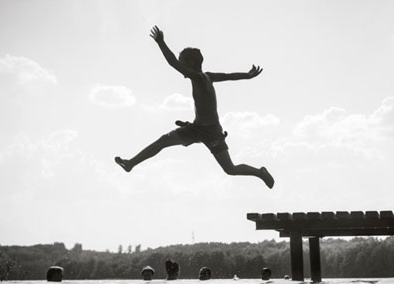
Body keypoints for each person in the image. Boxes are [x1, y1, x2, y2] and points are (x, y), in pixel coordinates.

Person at [114, 26, 274, 189]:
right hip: (196, 128)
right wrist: (247, 75)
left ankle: (260, 172)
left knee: (230, 169)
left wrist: (161, 42)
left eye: (183, 63)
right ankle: (130, 163)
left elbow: (172, 63)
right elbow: (229, 76)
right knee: (163, 141)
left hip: (212, 132)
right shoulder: (208, 76)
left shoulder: (199, 78)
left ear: (190, 64)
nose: (181, 67)